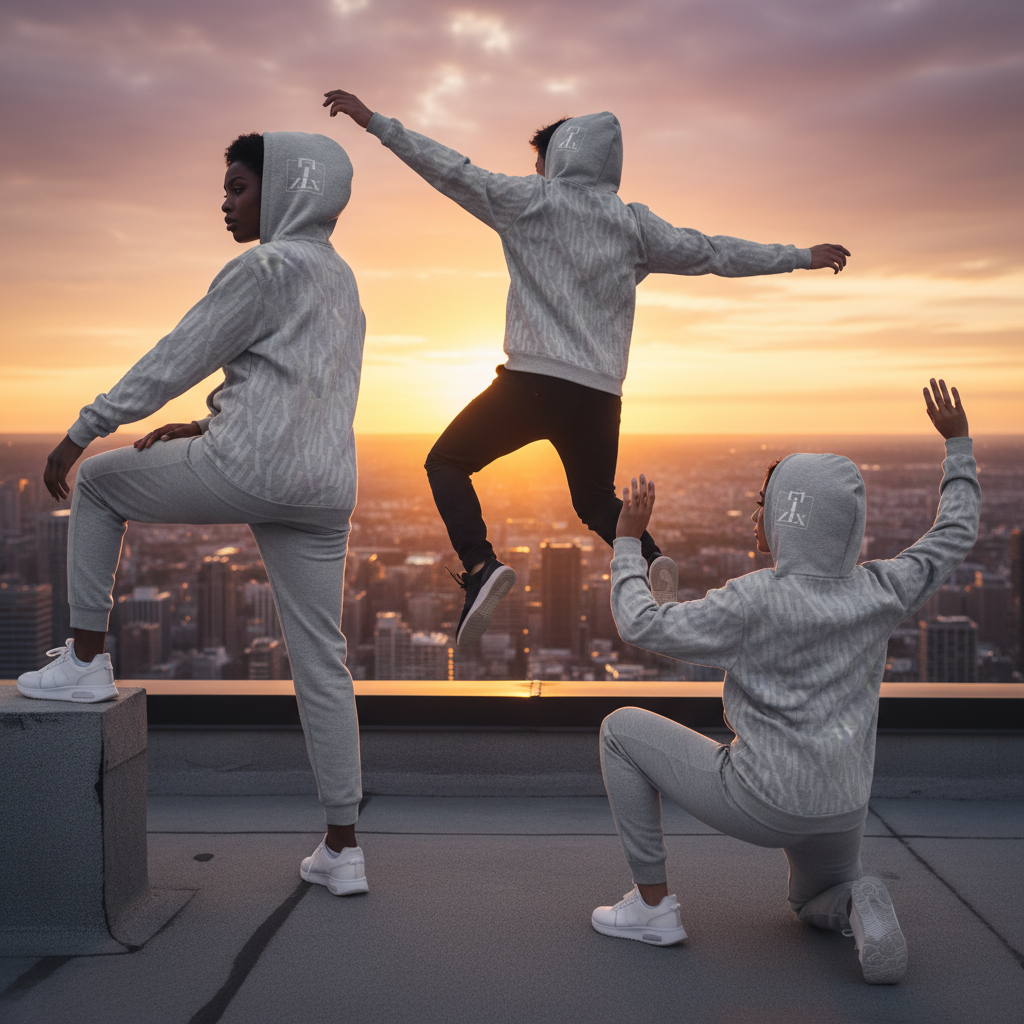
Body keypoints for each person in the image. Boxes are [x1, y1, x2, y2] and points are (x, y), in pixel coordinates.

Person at [322, 88, 852, 646]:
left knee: (445, 462)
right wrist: (798, 256)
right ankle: (650, 560)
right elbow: (713, 252)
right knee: (597, 501)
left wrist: (375, 122)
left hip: (531, 382)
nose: (536, 170)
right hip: (600, 398)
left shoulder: (529, 200)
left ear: (560, 159)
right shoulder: (634, 225)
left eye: (541, 162)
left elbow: (450, 170)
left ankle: (481, 567)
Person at [17, 130, 371, 896]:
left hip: (253, 469)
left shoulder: (265, 265)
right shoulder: (342, 281)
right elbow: (304, 388)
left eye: (239, 188)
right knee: (323, 662)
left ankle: (83, 662)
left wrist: (82, 430)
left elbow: (178, 353)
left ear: (282, 192)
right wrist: (209, 424)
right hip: (324, 488)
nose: (225, 202)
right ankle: (343, 849)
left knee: (103, 485)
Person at [592, 379, 978, 985]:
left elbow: (640, 623)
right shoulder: (882, 589)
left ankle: (651, 907)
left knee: (619, 731)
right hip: (844, 804)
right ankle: (854, 901)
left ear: (790, 518)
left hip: (764, 798)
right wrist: (957, 445)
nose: (757, 519)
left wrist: (624, 541)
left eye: (764, 508)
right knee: (809, 903)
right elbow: (953, 535)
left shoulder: (753, 601)